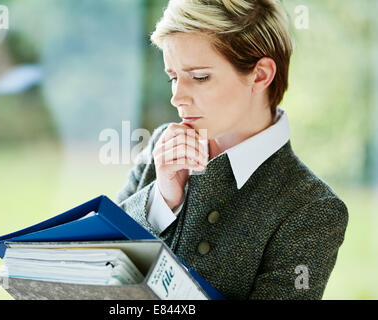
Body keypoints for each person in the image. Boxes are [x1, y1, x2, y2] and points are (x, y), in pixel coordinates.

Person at [116, 0, 348, 299]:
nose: (177, 97)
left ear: (261, 75)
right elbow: (100, 261)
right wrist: (161, 199)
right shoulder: (162, 147)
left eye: (199, 77)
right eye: (173, 77)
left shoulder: (313, 208)